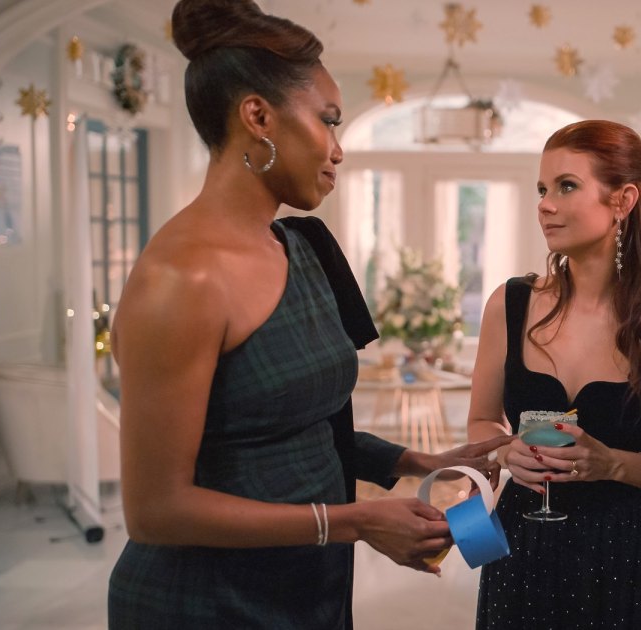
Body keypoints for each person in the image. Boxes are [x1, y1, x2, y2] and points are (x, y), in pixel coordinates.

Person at [107, 1, 509, 627]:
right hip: (207, 602)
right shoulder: (181, 278)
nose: (338, 150)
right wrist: (353, 521)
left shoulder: (304, 248)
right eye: (328, 120)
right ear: (258, 117)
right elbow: (155, 511)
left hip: (307, 585)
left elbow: (308, 421)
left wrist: (415, 463)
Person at [467, 119, 641, 629]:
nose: (545, 204)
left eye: (566, 186)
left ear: (622, 201)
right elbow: (481, 423)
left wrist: (613, 465)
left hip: (635, 555)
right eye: (542, 189)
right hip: (525, 545)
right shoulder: (509, 304)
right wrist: (506, 450)